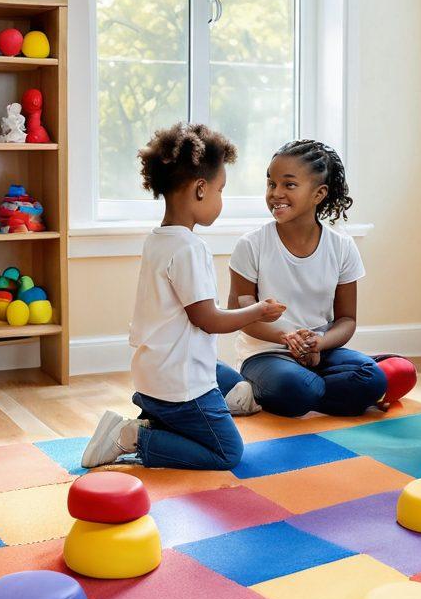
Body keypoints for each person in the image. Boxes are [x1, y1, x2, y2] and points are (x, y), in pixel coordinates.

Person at [82, 123, 286, 470]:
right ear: (201, 190)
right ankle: (134, 436)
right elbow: (208, 321)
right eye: (221, 190)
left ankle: (158, 421)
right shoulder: (190, 248)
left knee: (220, 374)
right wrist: (257, 311)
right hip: (180, 388)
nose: (222, 200)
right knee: (227, 453)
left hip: (152, 376)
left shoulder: (158, 240)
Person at [228, 139, 387, 417]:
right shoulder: (251, 244)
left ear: (319, 194)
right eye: (271, 183)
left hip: (319, 352)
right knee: (300, 388)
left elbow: (347, 320)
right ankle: (278, 389)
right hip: (265, 353)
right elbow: (240, 315)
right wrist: (286, 337)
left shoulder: (342, 247)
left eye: (288, 185)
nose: (275, 193)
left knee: (372, 378)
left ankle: (288, 394)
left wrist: (318, 343)